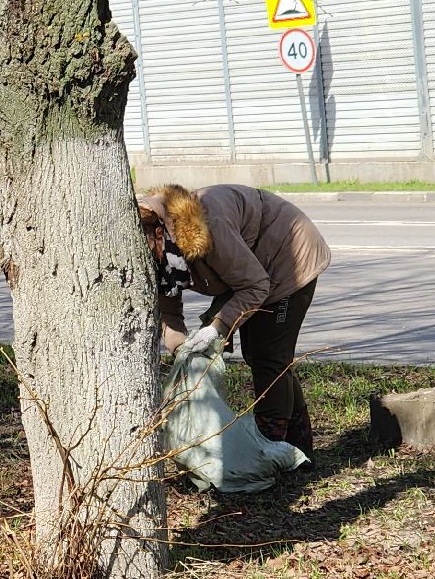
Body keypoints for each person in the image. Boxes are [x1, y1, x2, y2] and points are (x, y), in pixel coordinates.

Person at [138, 183, 331, 455]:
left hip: (288, 256)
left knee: (268, 356)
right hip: (253, 270)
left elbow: (255, 287)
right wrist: (184, 353)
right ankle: (300, 449)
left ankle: (271, 448)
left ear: (159, 233)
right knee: (264, 356)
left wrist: (217, 327)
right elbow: (169, 312)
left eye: (145, 246)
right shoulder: (163, 255)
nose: (141, 257)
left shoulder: (207, 229)